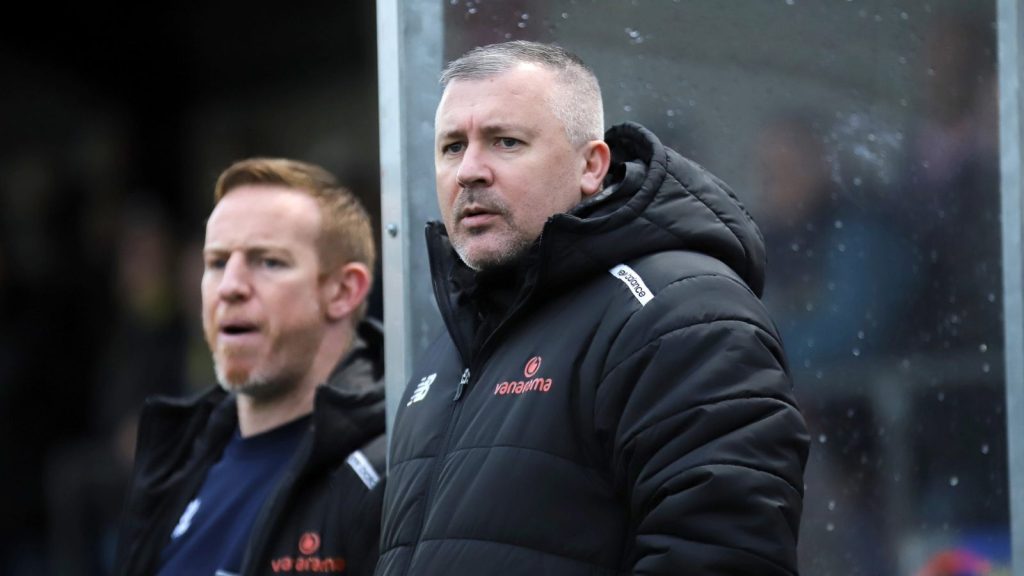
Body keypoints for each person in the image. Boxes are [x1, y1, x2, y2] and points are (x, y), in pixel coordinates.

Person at [376, 40, 810, 575]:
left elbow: (725, 559)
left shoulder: (682, 314)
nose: (469, 170)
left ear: (592, 166)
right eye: (450, 147)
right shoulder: (453, 345)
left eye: (505, 141)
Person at [114, 158, 386, 576]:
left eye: (269, 262)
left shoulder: (388, 474)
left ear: (344, 291)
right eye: (218, 262)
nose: (230, 287)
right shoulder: (179, 461)